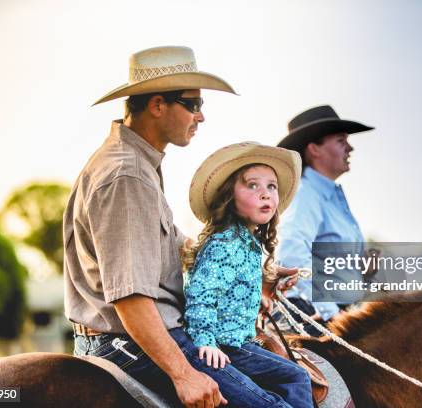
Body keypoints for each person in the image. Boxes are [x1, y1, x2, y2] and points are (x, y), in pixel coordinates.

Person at [63, 46, 298, 408]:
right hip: (129, 341)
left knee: (289, 374)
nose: (201, 116)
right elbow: (130, 295)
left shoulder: (139, 165)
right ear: (157, 105)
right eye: (193, 104)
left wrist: (251, 268)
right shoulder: (128, 175)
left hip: (130, 335)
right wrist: (183, 374)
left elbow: (179, 248)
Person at [182, 142, 312, 408]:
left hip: (240, 341)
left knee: (297, 375)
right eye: (252, 185)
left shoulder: (249, 244)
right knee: (291, 383)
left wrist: (260, 295)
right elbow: (201, 295)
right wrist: (205, 341)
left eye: (271, 186)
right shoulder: (226, 243)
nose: (265, 194)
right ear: (229, 197)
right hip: (225, 345)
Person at [276, 105, 375, 330]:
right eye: (341, 141)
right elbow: (291, 254)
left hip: (336, 311)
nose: (350, 148)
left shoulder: (325, 196)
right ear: (314, 149)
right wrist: (333, 316)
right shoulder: (306, 194)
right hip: (315, 315)